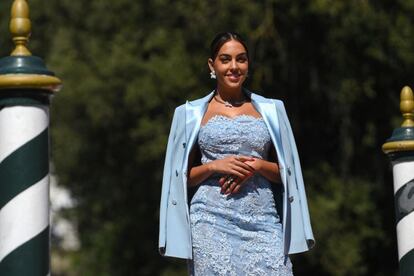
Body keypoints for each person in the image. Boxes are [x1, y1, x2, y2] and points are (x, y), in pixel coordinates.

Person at [159, 32, 315, 275]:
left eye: (240, 59)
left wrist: (256, 166)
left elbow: (287, 172)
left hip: (263, 220)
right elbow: (180, 178)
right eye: (225, 59)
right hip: (210, 219)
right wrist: (214, 166)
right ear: (212, 65)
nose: (234, 67)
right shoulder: (188, 114)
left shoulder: (272, 110)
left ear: (248, 64)